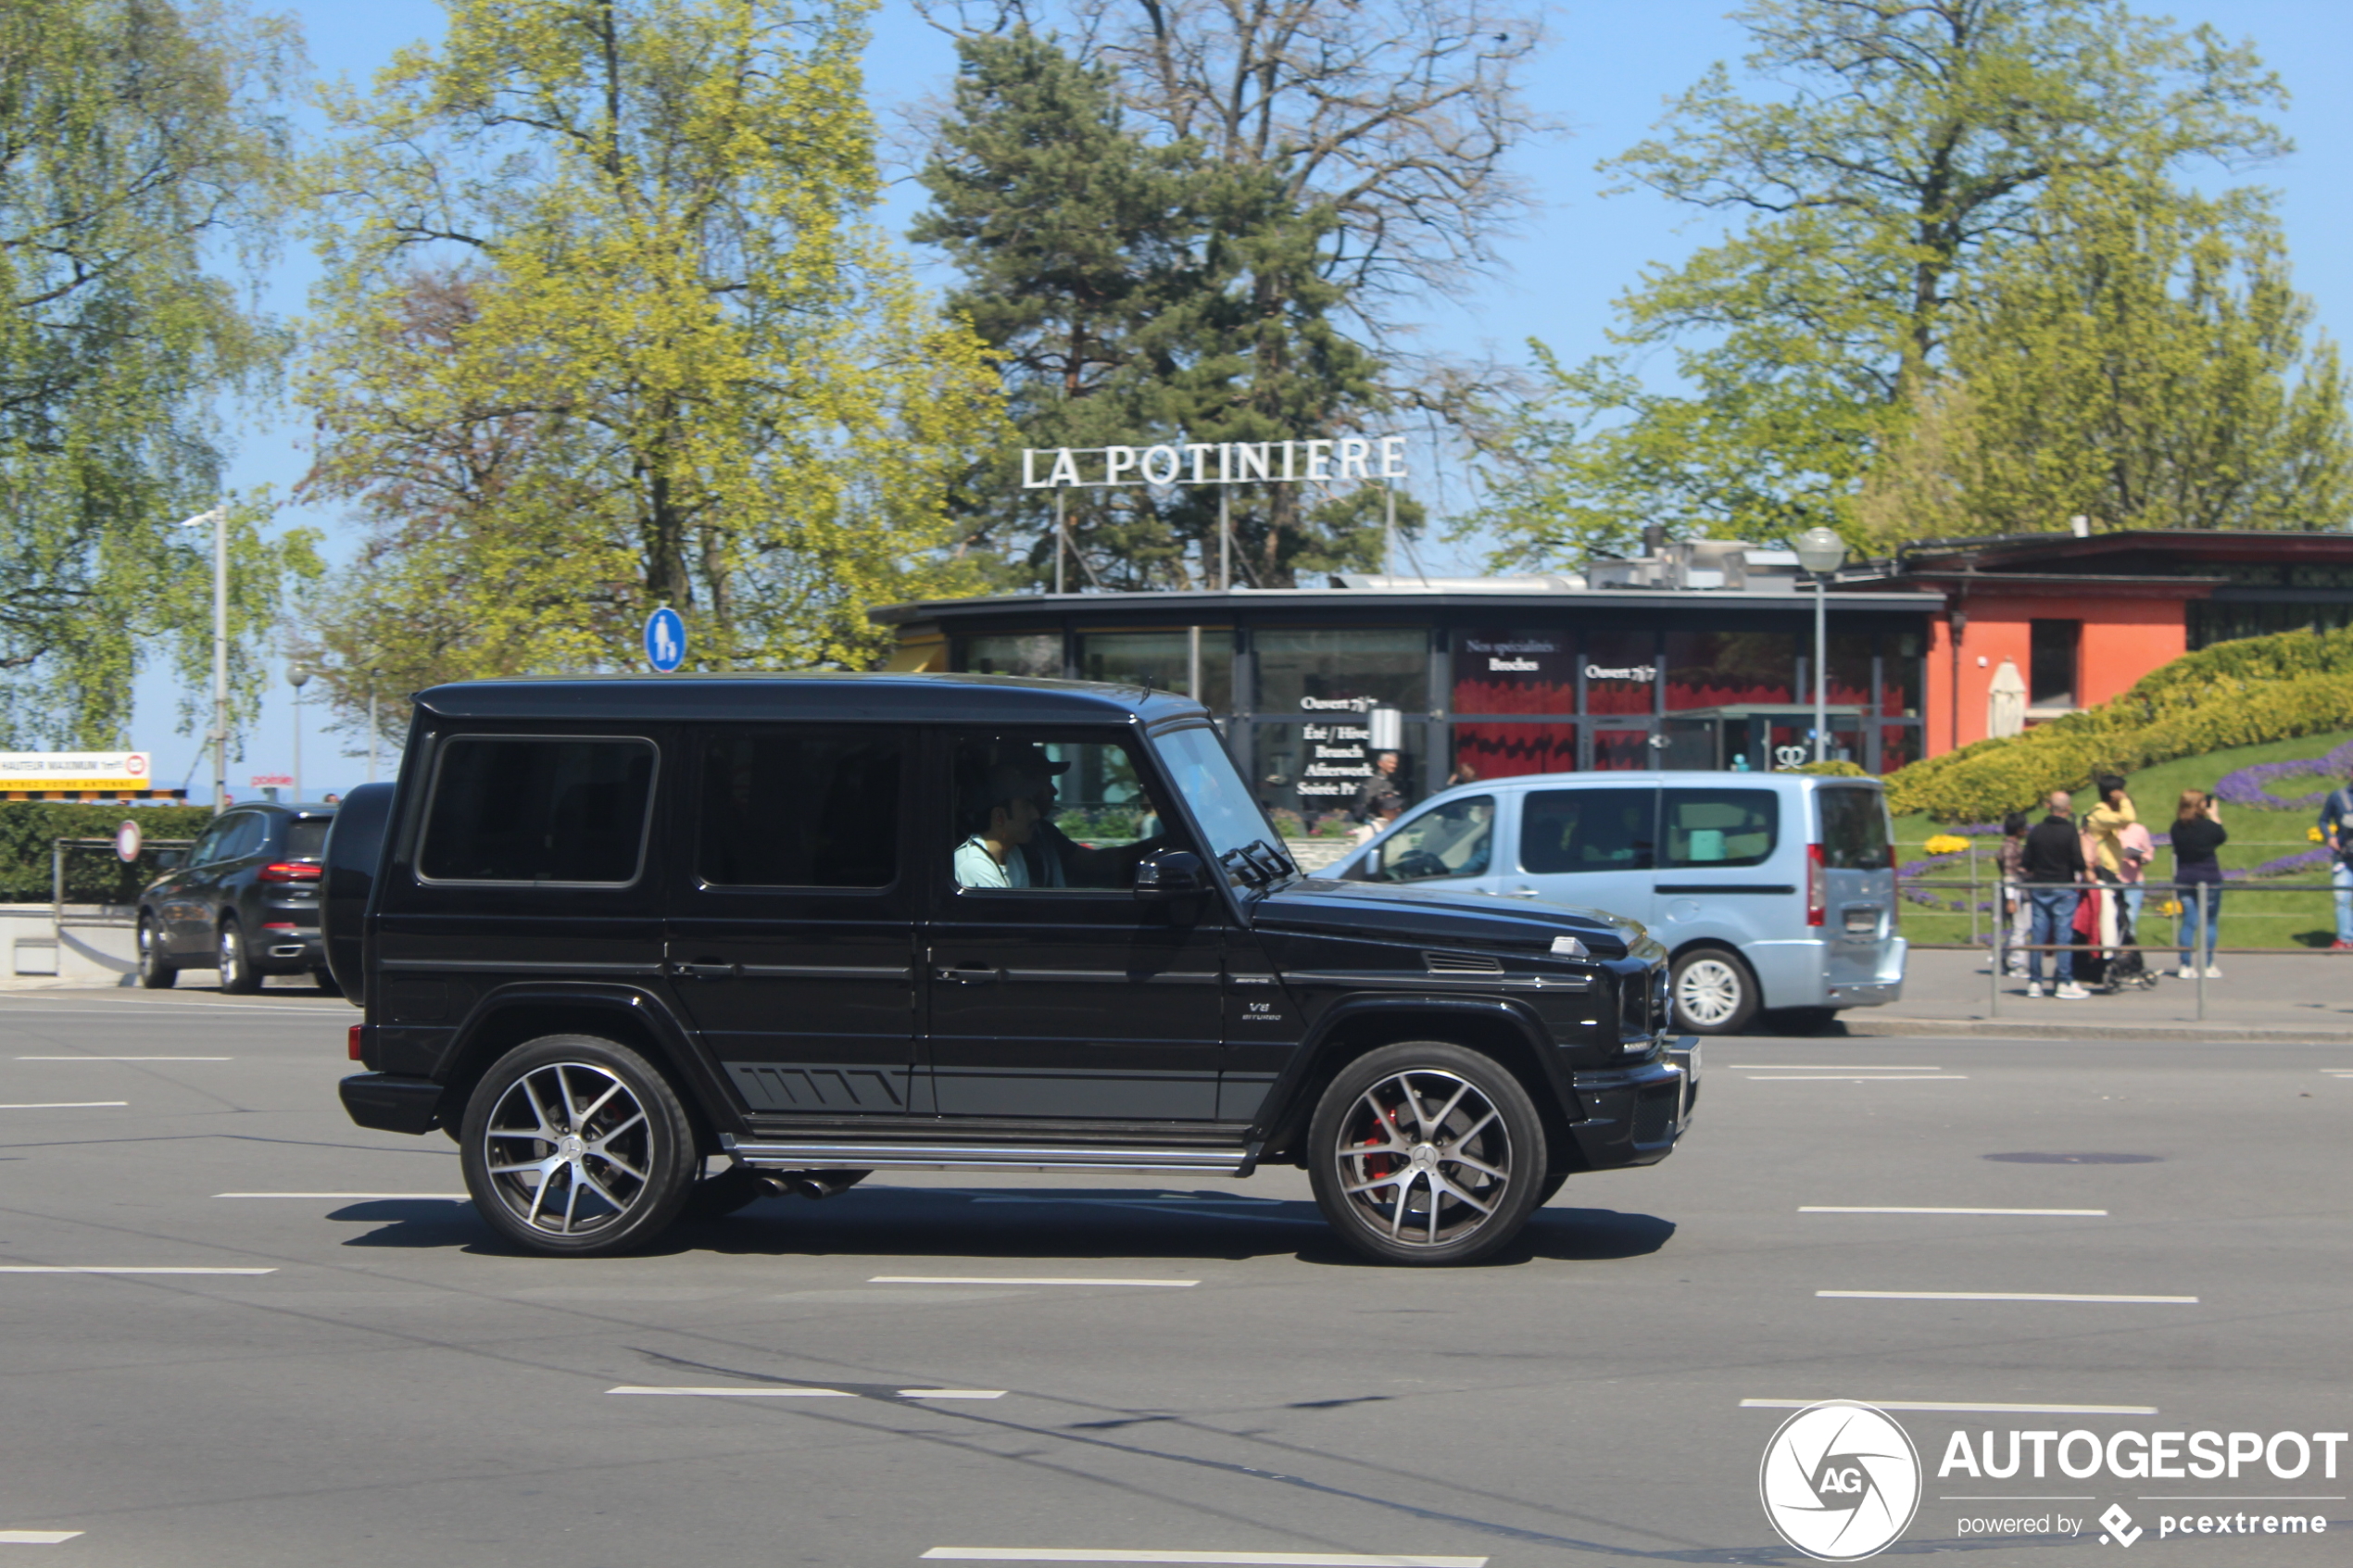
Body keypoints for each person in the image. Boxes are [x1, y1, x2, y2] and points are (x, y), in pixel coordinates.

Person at [2021, 789, 2089, 999]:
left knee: (2038, 935)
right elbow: (2078, 862)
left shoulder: (2037, 831)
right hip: (2064, 886)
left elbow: (2026, 863)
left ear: (2049, 806)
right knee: (2063, 936)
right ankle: (2064, 981)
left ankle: (2035, 982)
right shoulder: (2070, 831)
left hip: (2040, 886)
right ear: (2068, 809)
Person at [952, 762, 1043, 888]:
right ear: (999, 817)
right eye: (1025, 806)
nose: (1036, 815)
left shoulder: (1013, 854)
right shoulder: (974, 866)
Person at [2171, 788, 2227, 978]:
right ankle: (2208, 965)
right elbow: (2221, 836)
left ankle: (2185, 965)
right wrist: (2214, 816)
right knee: (2209, 922)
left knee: (2189, 921)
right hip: (2208, 877)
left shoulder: (2176, 827)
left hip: (2185, 877)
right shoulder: (2209, 827)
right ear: (2198, 805)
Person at [1996, 811, 2031, 977]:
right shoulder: (2010, 847)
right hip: (2014, 889)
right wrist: (2010, 899)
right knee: (2019, 928)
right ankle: (2017, 964)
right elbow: (2008, 874)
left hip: (2019, 888)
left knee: (2023, 926)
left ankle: (2004, 955)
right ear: (2018, 830)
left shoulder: (2013, 845)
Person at [2324, 760, 2353, 951]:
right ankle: (2345, 938)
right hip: (2344, 857)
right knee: (2341, 897)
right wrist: (2329, 837)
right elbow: (2323, 820)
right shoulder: (2338, 797)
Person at [1350, 751, 1403, 822]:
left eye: (1395, 763)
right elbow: (1367, 803)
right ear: (1380, 763)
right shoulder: (1374, 782)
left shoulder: (1393, 781)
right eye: (1390, 763)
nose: (1393, 766)